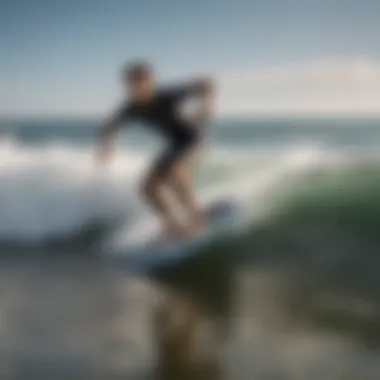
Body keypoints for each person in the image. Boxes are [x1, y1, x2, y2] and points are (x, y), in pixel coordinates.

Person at [96, 61, 215, 240]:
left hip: (194, 142)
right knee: (147, 188)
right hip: (175, 145)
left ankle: (196, 219)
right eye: (133, 85)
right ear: (128, 86)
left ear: (151, 82)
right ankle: (173, 225)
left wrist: (206, 106)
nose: (139, 89)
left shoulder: (167, 96)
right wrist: (106, 146)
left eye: (143, 83)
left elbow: (207, 83)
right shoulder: (131, 107)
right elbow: (109, 125)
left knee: (176, 173)